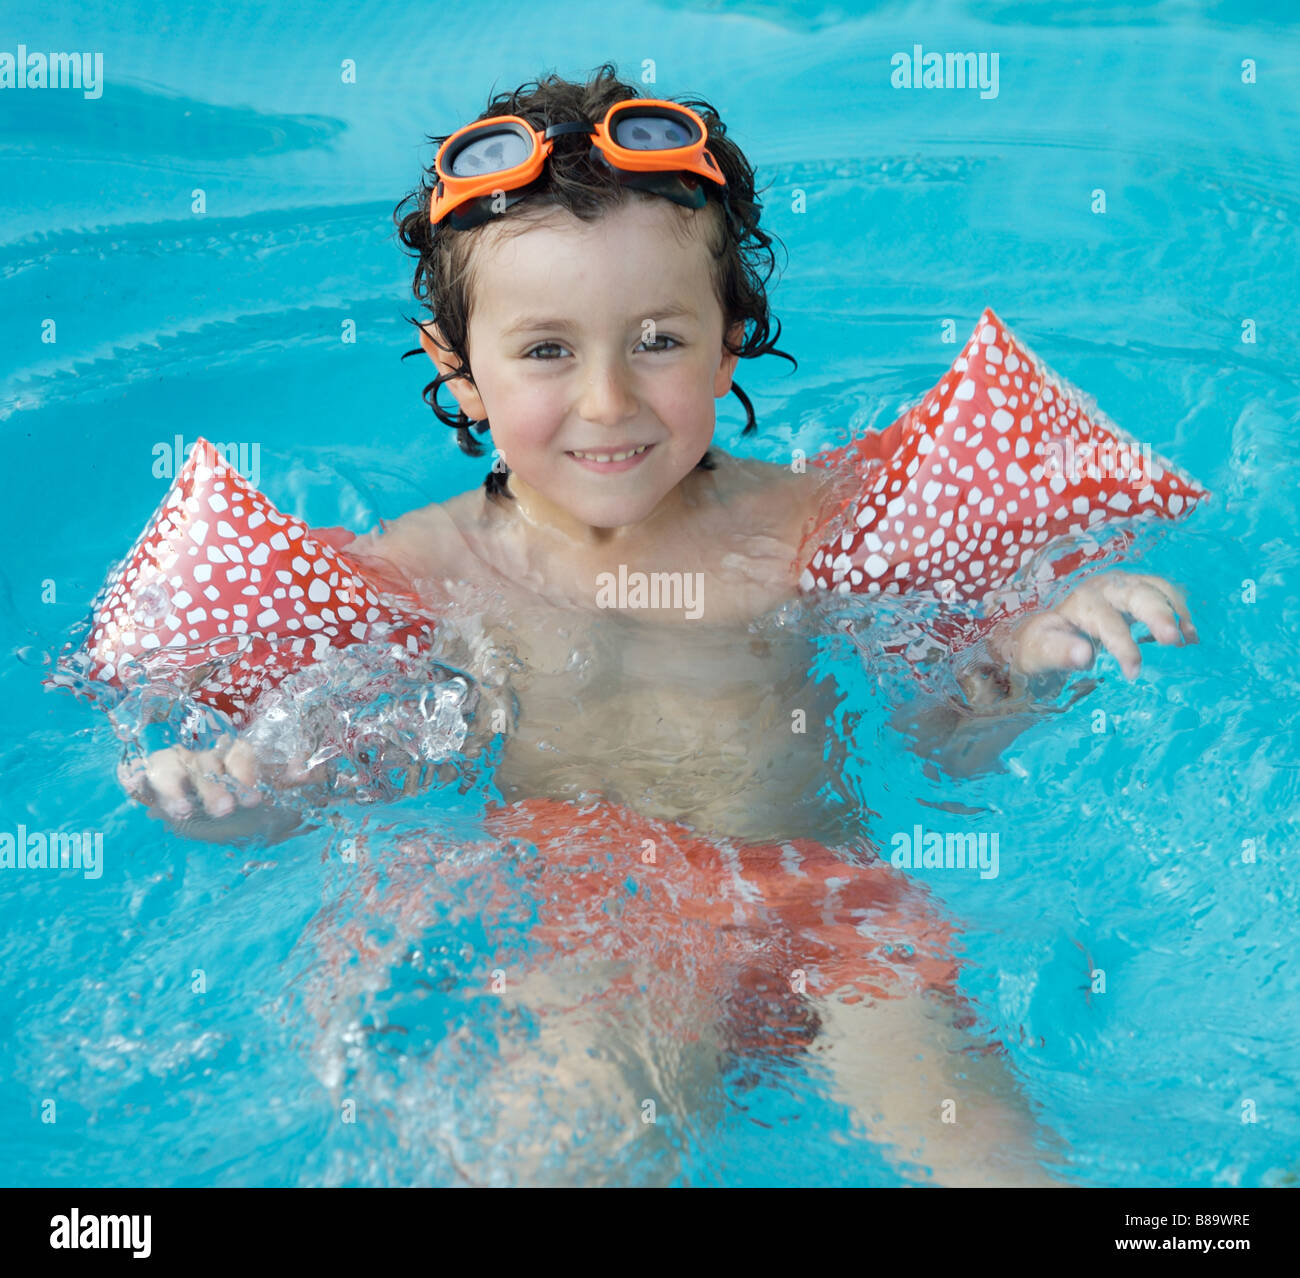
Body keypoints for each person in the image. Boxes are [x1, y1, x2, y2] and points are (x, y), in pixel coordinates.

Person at [118, 64, 1199, 1185]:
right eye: (546, 351)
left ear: (732, 338)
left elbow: (940, 735)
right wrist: (243, 790)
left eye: (658, 341)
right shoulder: (425, 572)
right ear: (459, 368)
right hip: (598, 933)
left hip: (830, 912)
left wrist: (1032, 655)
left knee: (1001, 1162)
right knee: (575, 1156)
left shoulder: (811, 528)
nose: (606, 401)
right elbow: (360, 765)